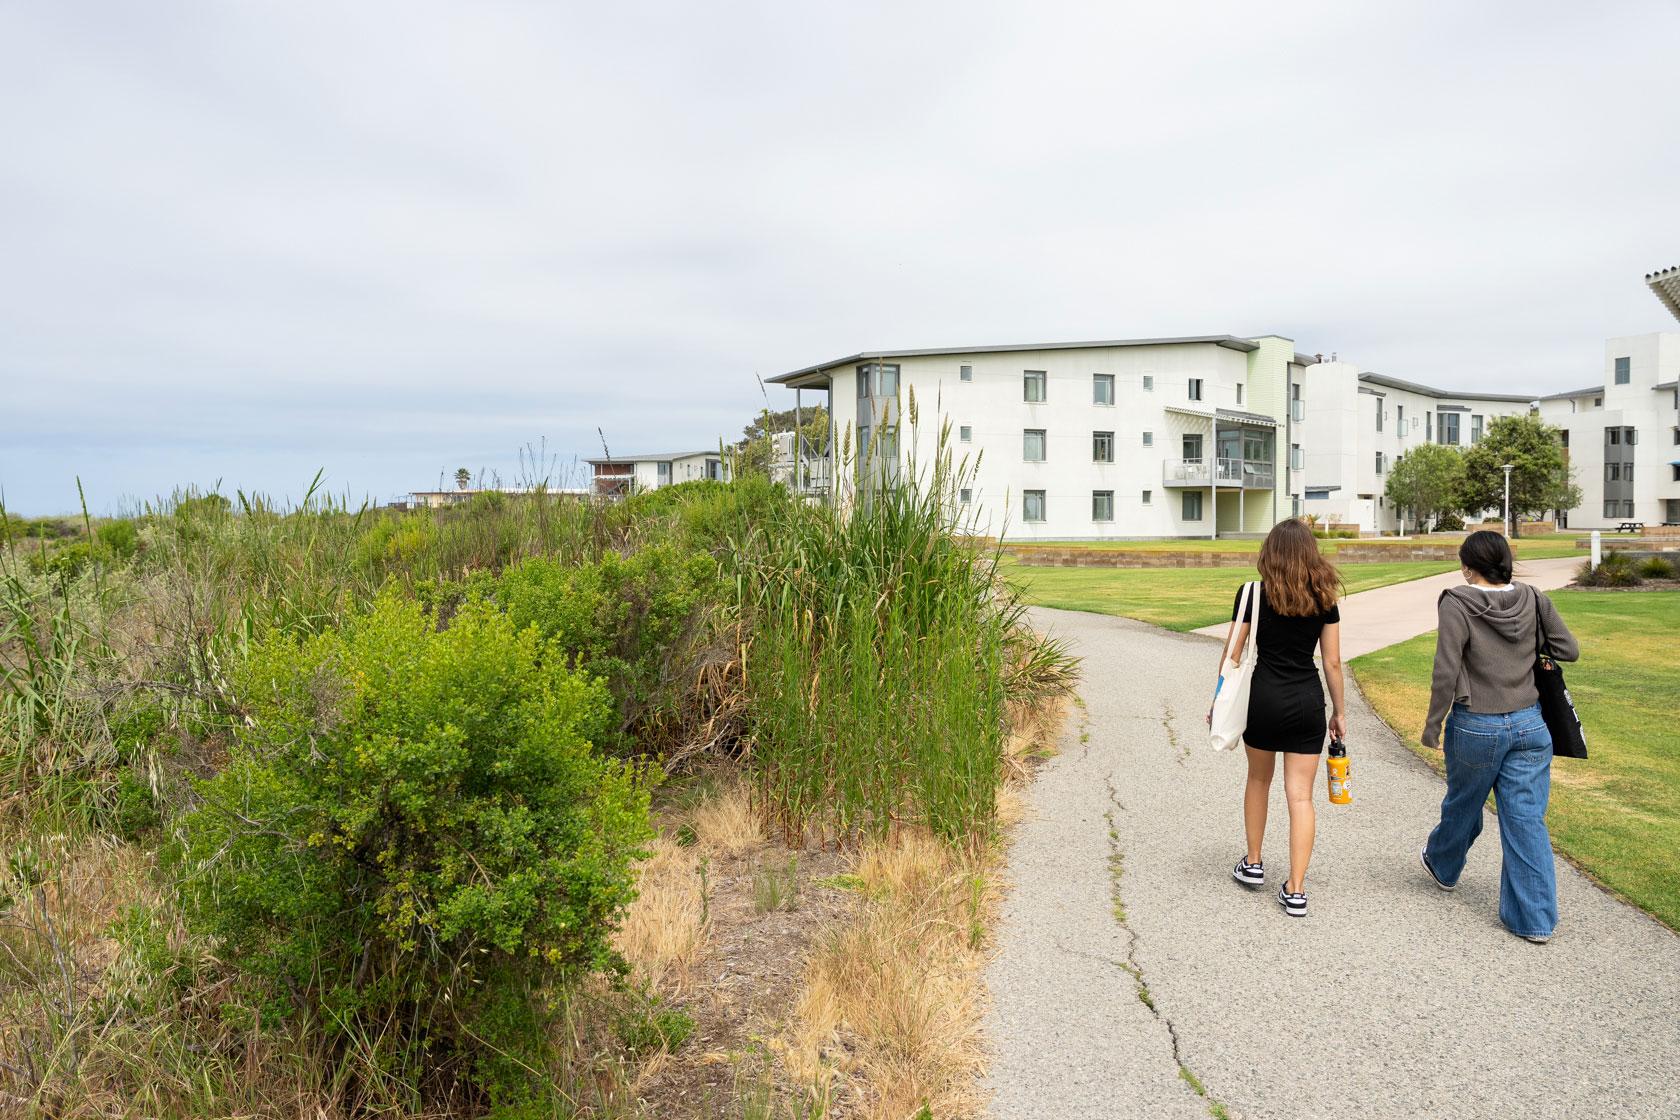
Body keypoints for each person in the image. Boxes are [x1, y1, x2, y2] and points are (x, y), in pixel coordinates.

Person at [1419, 530, 1578, 943]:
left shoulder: (1457, 601)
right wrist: (1529, 642)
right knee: (1526, 821)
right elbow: (1568, 648)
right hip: (1530, 725)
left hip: (1477, 724)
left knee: (1463, 803)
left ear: (1470, 566)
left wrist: (1433, 725)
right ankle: (1535, 922)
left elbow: (1446, 668)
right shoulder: (1532, 597)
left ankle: (1442, 863)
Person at [1212, 518, 1346, 918]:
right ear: (1310, 552)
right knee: (1300, 796)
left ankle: (1253, 864)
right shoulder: (1325, 597)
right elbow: (1334, 663)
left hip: (1263, 700)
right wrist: (1339, 712)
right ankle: (1296, 889)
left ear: (1269, 551)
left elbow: (1232, 654)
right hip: (1307, 701)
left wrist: (1218, 699)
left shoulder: (1252, 593)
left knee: (1258, 779)